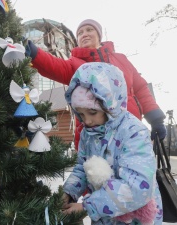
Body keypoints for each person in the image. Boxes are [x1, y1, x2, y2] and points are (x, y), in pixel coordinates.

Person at [25, 19, 166, 148]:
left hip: (130, 132)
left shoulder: (121, 59)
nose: (84, 34)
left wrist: (156, 119)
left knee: (134, 171)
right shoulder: (75, 65)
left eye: (89, 30)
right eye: (80, 33)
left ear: (99, 35)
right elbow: (53, 66)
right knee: (97, 174)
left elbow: (140, 88)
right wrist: (32, 51)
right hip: (94, 138)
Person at [61, 62, 162, 224]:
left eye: (92, 112)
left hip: (135, 218)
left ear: (111, 105)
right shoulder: (88, 133)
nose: (86, 120)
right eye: (80, 113)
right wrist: (68, 192)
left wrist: (88, 207)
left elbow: (138, 186)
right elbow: (82, 167)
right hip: (104, 217)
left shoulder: (133, 132)